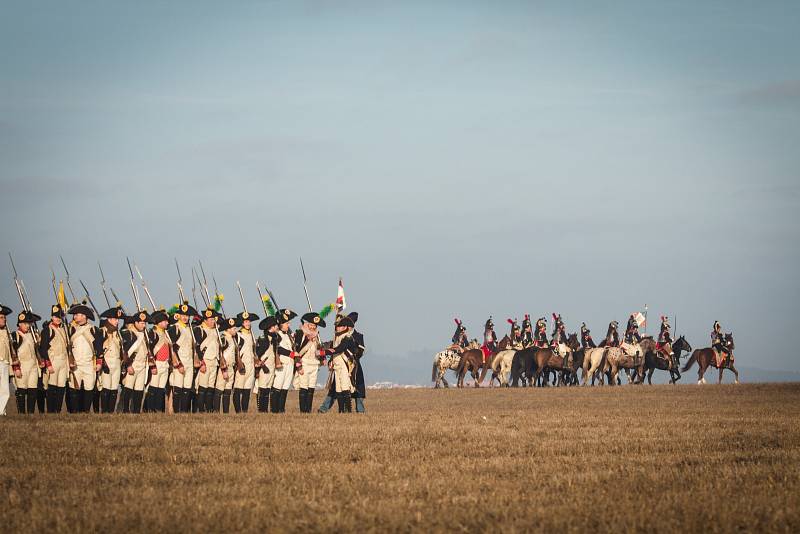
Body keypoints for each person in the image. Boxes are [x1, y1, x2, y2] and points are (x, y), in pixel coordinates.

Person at [67, 303, 104, 413]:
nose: (74, 317)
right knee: (74, 388)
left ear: (84, 316)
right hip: (75, 364)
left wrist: (99, 362)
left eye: (77, 315)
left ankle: (85, 411)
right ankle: (75, 411)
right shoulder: (71, 330)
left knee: (89, 388)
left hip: (89, 364)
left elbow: (99, 347)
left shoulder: (93, 330)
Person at [322, 314, 359, 413]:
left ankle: (348, 410)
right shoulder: (337, 337)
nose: (337, 328)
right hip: (337, 366)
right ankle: (341, 410)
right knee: (338, 388)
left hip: (345, 365)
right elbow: (331, 348)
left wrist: (324, 352)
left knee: (345, 387)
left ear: (345, 327)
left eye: (339, 326)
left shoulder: (347, 337)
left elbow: (339, 349)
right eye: (337, 326)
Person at [193, 306, 226, 413]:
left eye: (214, 319)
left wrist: (214, 313)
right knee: (202, 387)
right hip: (205, 361)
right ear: (205, 320)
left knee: (210, 387)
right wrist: (201, 362)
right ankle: (201, 409)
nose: (213, 321)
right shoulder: (199, 330)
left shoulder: (215, 330)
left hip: (214, 361)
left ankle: (209, 409)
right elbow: (197, 348)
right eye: (211, 320)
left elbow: (222, 321)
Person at [167, 302, 198, 413]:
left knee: (187, 388)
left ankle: (183, 412)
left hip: (189, 362)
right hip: (179, 361)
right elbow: (172, 348)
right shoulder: (174, 328)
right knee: (178, 388)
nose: (185, 317)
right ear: (178, 315)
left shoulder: (190, 329)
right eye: (183, 315)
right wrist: (178, 363)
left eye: (187, 315)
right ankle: (176, 411)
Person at [39, 304, 69, 413]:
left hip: (63, 360)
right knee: (52, 387)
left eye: (59, 317)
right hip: (53, 360)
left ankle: (58, 410)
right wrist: (49, 364)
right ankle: (51, 411)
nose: (57, 319)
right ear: (52, 317)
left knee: (61, 387)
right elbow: (43, 349)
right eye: (55, 317)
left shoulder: (63, 330)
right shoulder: (47, 330)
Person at [120, 310, 152, 413]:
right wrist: (128, 365)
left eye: (144, 323)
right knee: (128, 388)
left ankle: (137, 411)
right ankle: (125, 410)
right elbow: (124, 352)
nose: (144, 325)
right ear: (136, 323)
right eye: (142, 323)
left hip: (142, 365)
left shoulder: (144, 335)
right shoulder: (128, 333)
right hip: (132, 364)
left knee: (139, 389)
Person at [13, 310, 41, 414]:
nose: (27, 326)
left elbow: (37, 351)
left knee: (32, 390)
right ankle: (21, 413)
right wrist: (16, 368)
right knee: (21, 390)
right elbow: (13, 354)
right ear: (20, 324)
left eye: (28, 323)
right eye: (25, 323)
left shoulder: (33, 335)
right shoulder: (15, 335)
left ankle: (31, 413)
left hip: (33, 366)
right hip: (22, 365)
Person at [270, 308, 297, 413]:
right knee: (277, 387)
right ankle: (274, 409)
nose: (288, 325)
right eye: (286, 323)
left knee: (285, 388)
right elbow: (278, 348)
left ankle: (281, 409)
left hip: (289, 364)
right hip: (281, 363)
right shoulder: (277, 335)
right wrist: (291, 354)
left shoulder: (288, 336)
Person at [232, 311, 259, 413]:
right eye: (246, 322)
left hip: (251, 364)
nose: (248, 323)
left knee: (247, 389)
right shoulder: (238, 335)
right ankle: (238, 411)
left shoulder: (251, 335)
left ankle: (245, 411)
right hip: (241, 364)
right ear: (242, 323)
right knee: (238, 388)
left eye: (249, 321)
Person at [255, 315, 279, 412]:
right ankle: (261, 410)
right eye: (275, 325)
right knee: (262, 388)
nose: (277, 327)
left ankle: (265, 410)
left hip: (271, 366)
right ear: (271, 327)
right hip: (264, 366)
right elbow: (257, 353)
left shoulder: (274, 338)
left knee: (268, 389)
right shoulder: (263, 338)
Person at [0, 304, 15, 415]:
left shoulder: (5, 332)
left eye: (4, 318)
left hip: (4, 363)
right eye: (1, 317)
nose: (4, 319)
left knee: (5, 391)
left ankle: (2, 411)